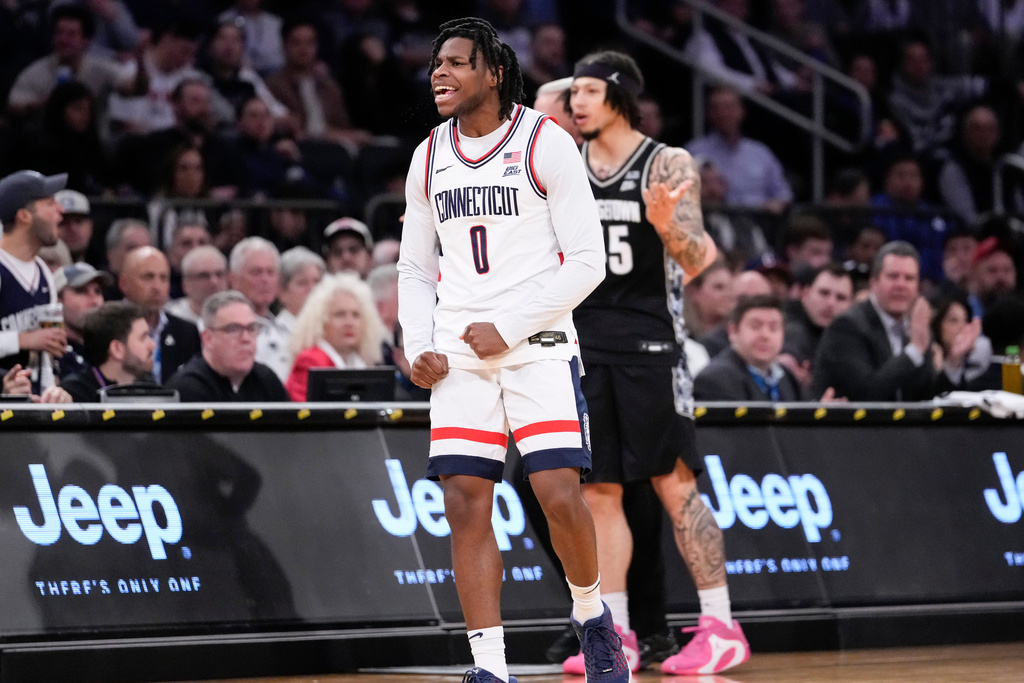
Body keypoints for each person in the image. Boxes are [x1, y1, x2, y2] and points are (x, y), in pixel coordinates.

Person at [396, 19, 630, 683]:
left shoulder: (544, 142)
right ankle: (490, 667)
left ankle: (594, 617)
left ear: (493, 73)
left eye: (456, 63)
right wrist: (419, 344)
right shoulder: (429, 155)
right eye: (436, 64)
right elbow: (414, 268)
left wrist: (512, 323)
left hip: (539, 342)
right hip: (459, 351)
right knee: (465, 501)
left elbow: (587, 262)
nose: (440, 74)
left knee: (557, 491)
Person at [568, 50, 750, 676]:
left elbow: (701, 262)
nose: (577, 101)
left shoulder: (665, 162)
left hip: (651, 344)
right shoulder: (567, 163)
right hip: (586, 345)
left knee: (675, 486)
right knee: (598, 492)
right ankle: (611, 629)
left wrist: (667, 226)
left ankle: (721, 625)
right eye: (574, 92)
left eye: (590, 90)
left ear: (619, 94)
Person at [813, 241, 938, 400]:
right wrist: (914, 351)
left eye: (909, 278)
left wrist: (954, 365)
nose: (901, 285)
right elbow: (866, 394)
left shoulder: (917, 328)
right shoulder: (847, 327)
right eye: (893, 276)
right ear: (873, 282)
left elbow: (929, 395)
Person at [0, 170, 68, 394]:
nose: (61, 210)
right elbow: (34, 340)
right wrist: (22, 339)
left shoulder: (44, 273)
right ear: (24, 217)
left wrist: (51, 392)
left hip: (31, 406)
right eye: (50, 203)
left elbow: (47, 354)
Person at [166, 290, 289, 402]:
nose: (246, 338)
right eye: (234, 329)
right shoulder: (188, 388)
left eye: (251, 328)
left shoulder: (266, 379)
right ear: (208, 338)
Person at [685, 85, 793, 213]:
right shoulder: (694, 152)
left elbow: (784, 194)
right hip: (715, 222)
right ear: (709, 114)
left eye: (729, 107)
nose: (723, 114)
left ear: (741, 110)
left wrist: (775, 205)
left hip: (759, 222)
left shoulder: (760, 152)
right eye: (716, 108)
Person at [284, 273, 386, 401]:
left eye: (356, 315)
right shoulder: (310, 361)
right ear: (320, 321)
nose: (349, 323)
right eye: (340, 314)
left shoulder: (361, 363)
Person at [694, 294, 809, 401]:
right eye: (755, 326)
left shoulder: (787, 377)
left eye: (773, 328)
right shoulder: (714, 380)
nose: (765, 335)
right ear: (733, 331)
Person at [118, 246, 202, 384]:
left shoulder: (186, 332)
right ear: (124, 283)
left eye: (163, 278)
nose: (157, 287)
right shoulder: (107, 328)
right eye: (148, 277)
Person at [60, 301, 157, 402]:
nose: (152, 345)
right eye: (143, 337)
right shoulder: (76, 393)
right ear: (117, 349)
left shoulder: (149, 386)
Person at [780, 263, 854, 387]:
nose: (830, 303)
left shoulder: (853, 337)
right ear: (805, 294)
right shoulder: (788, 326)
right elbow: (793, 342)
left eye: (840, 298)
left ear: (851, 305)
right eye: (824, 293)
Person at [229, 237, 291, 382]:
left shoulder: (289, 335)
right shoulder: (215, 329)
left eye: (271, 272)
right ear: (233, 280)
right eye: (256, 272)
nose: (265, 280)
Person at [54, 262, 113, 378]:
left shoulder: (109, 351)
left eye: (98, 291)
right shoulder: (51, 356)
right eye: (81, 291)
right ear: (57, 300)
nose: (94, 301)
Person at [165, 245, 230, 327]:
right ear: (186, 284)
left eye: (219, 274)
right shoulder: (171, 319)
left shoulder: (240, 315)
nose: (214, 282)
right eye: (204, 276)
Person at [277, 246, 325, 334]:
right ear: (282, 292)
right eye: (302, 283)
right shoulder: (275, 338)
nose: (312, 290)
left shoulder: (329, 332)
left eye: (316, 282)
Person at [103, 218, 151, 299]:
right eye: (132, 248)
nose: (139, 256)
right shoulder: (98, 292)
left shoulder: (156, 294)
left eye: (145, 250)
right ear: (111, 253)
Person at [54, 190, 94, 263]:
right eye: (63, 222)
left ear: (90, 227)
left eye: (78, 221)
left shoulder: (105, 269)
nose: (72, 228)